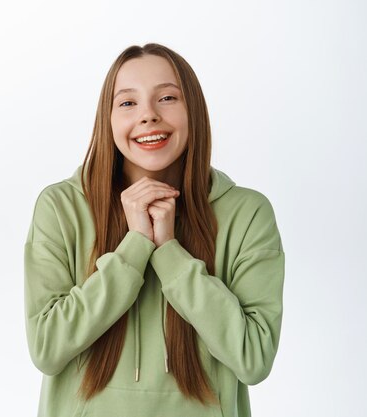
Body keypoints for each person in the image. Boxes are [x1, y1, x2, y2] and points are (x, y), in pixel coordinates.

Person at [23, 43, 285, 417]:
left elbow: (254, 359)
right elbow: (47, 349)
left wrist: (169, 252)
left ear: (193, 110)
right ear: (107, 118)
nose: (148, 116)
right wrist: (135, 247)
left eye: (167, 98)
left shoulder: (246, 213)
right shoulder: (61, 207)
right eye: (128, 103)